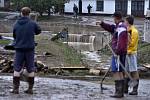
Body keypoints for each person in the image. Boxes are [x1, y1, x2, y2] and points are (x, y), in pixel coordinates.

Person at [97, 12, 128, 98]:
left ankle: (118, 93)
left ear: (116, 18)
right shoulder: (118, 26)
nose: (113, 19)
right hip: (120, 52)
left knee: (116, 71)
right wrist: (102, 24)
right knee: (120, 71)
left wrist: (117, 52)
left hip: (118, 52)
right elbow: (111, 28)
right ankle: (120, 92)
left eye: (114, 18)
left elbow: (121, 42)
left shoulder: (121, 28)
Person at [11, 7, 41, 94]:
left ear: (21, 13)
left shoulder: (16, 24)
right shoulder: (32, 23)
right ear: (29, 14)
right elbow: (39, 31)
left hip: (19, 49)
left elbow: (14, 35)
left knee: (16, 69)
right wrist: (32, 32)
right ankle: (30, 89)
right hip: (30, 49)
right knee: (31, 69)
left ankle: (15, 89)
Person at [124, 15, 139, 95]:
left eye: (125, 21)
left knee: (134, 71)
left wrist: (127, 36)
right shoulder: (127, 30)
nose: (124, 22)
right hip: (126, 53)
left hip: (132, 53)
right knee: (126, 70)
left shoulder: (134, 31)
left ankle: (135, 89)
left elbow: (132, 44)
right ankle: (125, 88)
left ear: (128, 22)